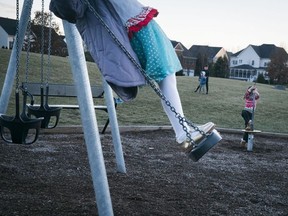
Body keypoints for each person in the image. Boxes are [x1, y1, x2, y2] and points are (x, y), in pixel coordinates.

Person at [50, 0, 221, 157]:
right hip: (136, 25)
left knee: (168, 78)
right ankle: (182, 133)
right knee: (166, 77)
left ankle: (183, 131)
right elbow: (72, 8)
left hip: (141, 21)